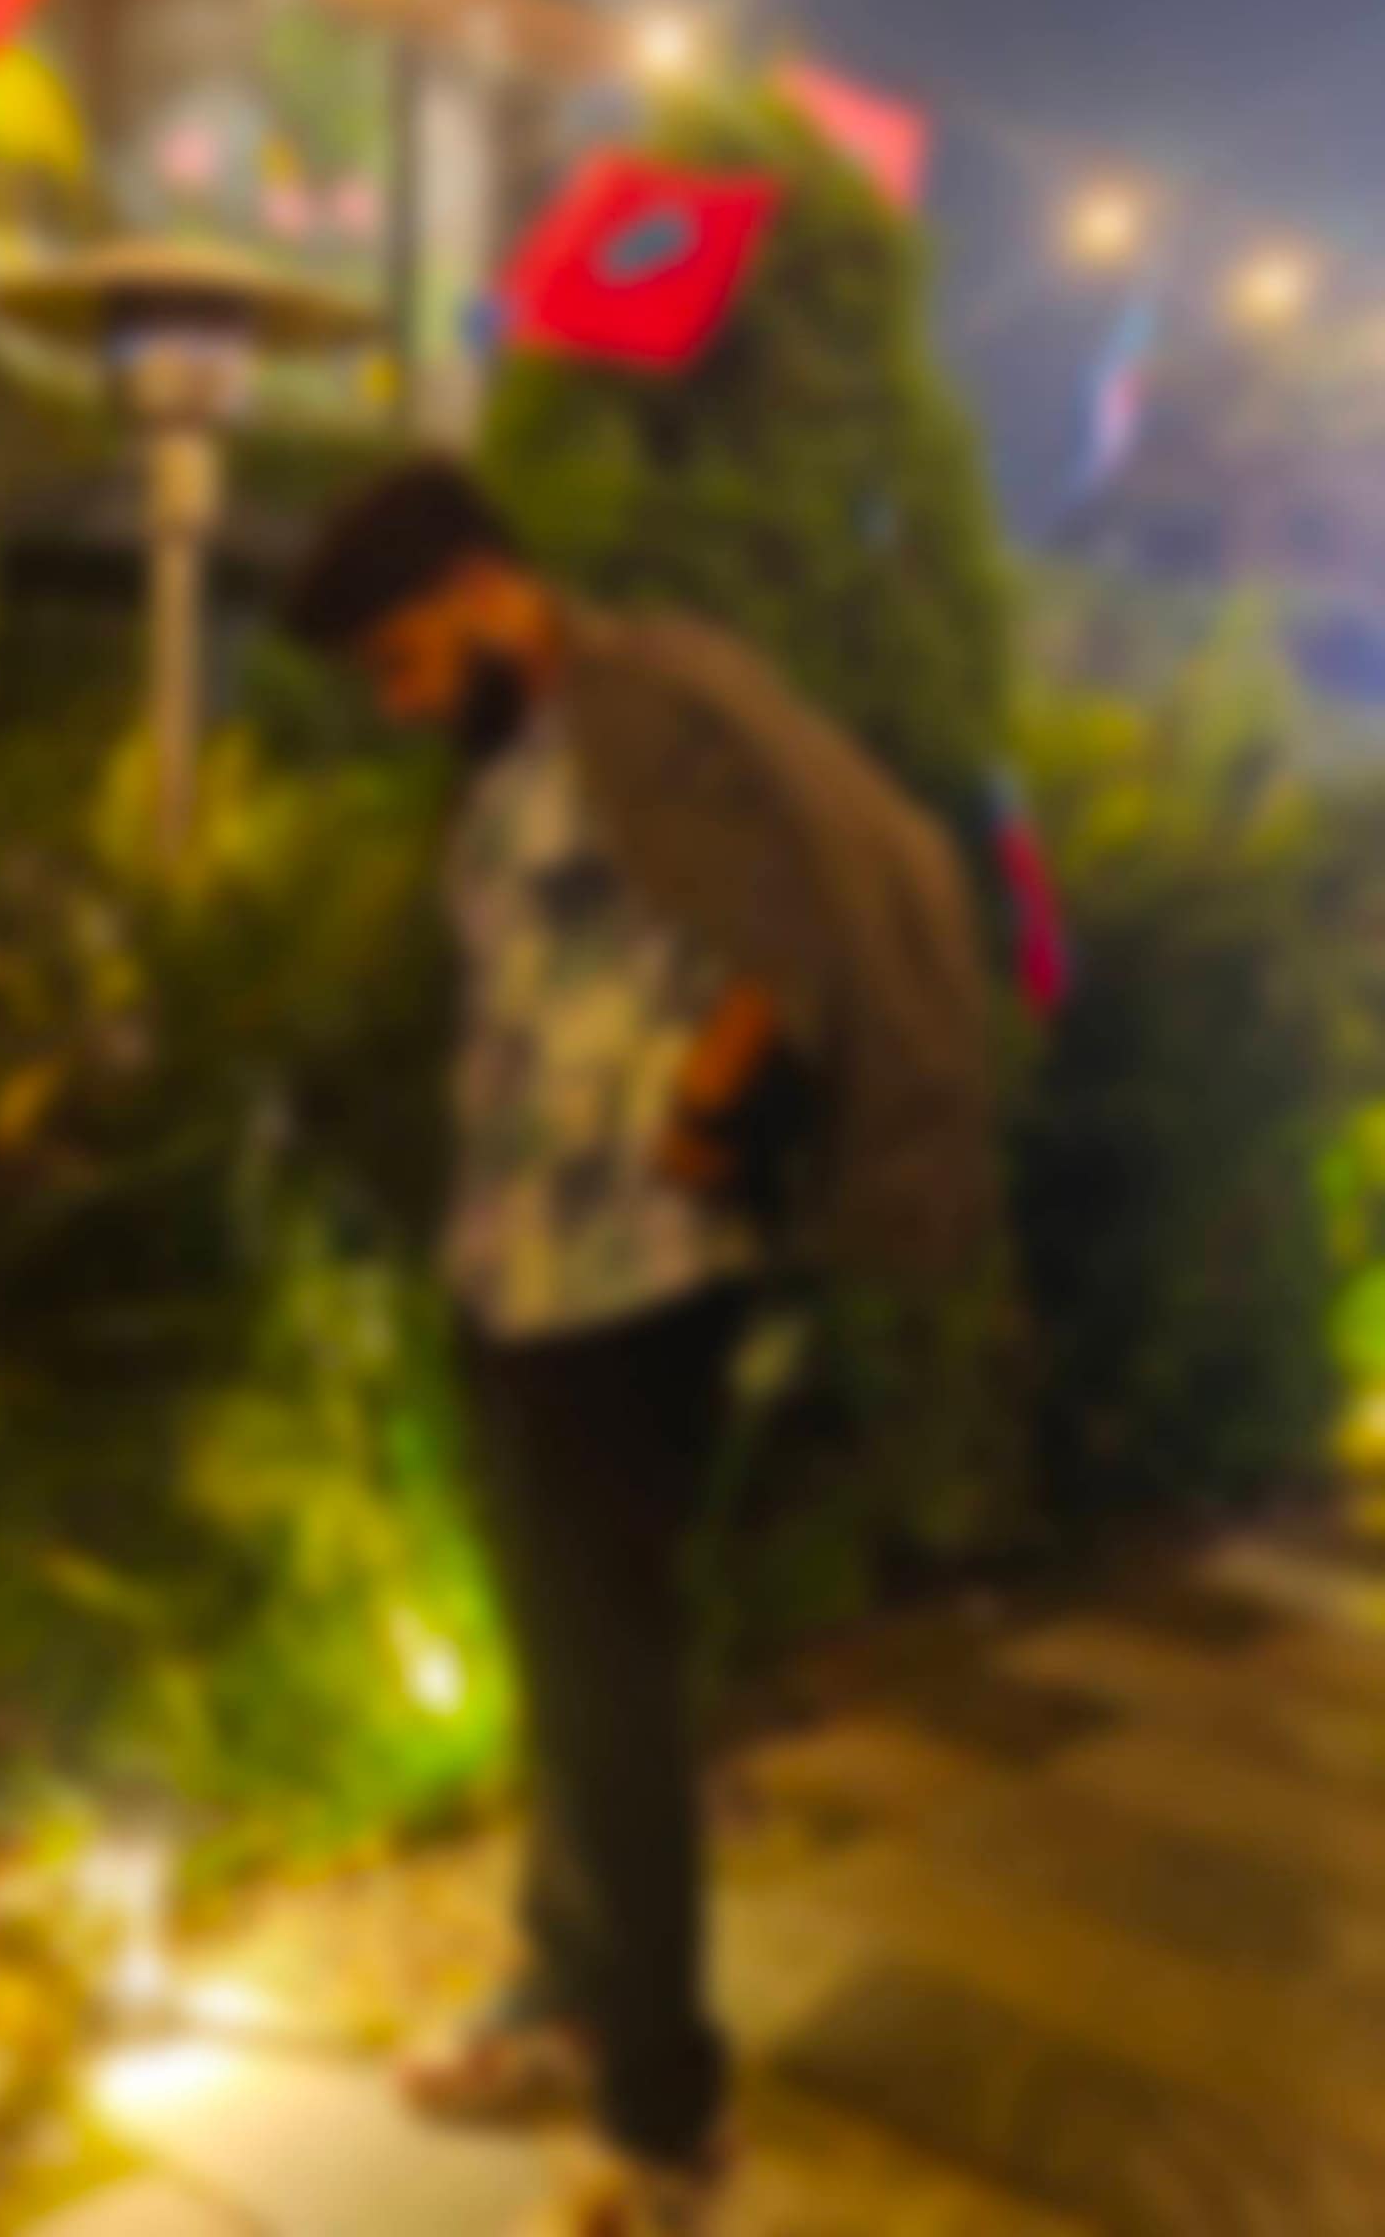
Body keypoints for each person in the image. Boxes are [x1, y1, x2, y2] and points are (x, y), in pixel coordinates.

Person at [285, 459, 995, 2237]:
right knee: (562, 1660)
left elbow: (816, 902)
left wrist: (705, 1111)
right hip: (520, 1262)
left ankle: (668, 2116)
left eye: (400, 659)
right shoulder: (523, 748)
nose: (398, 702)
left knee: (612, 1688)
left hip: (638, 1273)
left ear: (477, 587)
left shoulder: (654, 694)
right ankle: (566, 1987)